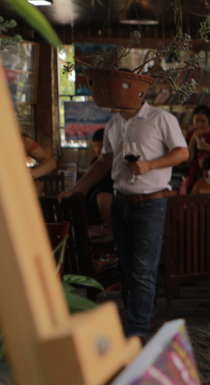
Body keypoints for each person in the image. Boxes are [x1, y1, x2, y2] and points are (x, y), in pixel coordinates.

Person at [59, 102, 188, 340]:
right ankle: (145, 317)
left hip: (150, 203)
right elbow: (103, 162)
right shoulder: (113, 123)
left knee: (142, 269)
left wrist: (150, 165)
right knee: (129, 267)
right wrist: (77, 190)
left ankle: (137, 328)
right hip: (121, 203)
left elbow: (182, 152)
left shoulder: (160, 118)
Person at [182, 105, 210, 194]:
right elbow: (188, 160)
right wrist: (193, 139)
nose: (199, 124)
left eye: (202, 121)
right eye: (196, 121)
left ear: (209, 118)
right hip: (196, 176)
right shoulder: (190, 135)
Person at [86, 128, 115, 226]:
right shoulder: (95, 161)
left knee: (102, 198)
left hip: (109, 191)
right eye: (95, 146)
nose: (98, 149)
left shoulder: (114, 161)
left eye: (101, 146)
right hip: (95, 191)